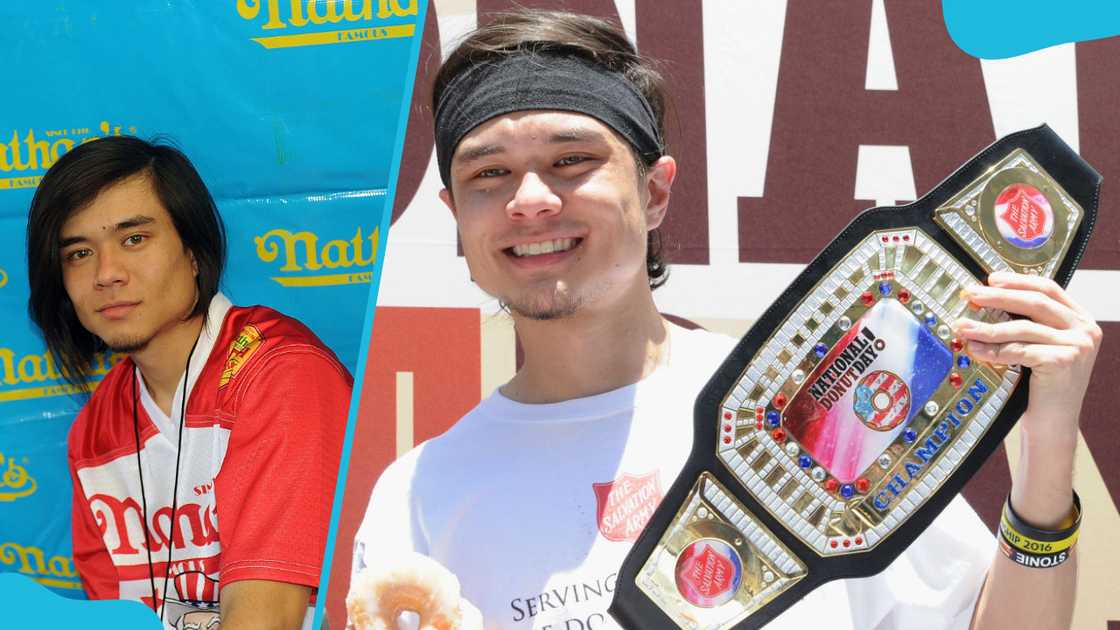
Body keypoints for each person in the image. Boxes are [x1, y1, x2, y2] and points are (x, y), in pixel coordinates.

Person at [353, 11, 1100, 630]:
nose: (531, 200)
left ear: (654, 193)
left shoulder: (807, 405)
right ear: (455, 217)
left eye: (572, 159)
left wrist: (1044, 470)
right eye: (489, 173)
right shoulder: (420, 497)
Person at [26, 136, 353, 630]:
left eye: (134, 239)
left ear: (195, 252)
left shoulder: (279, 372)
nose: (106, 273)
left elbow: (268, 621)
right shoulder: (95, 432)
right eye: (78, 253)